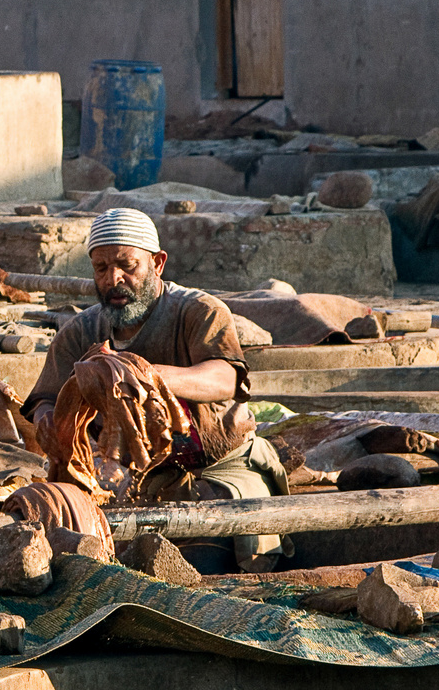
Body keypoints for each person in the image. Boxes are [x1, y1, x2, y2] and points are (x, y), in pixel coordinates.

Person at [22, 207, 289, 571]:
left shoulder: (199, 311)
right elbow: (45, 400)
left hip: (221, 467)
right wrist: (53, 426)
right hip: (132, 476)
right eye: (101, 268)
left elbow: (226, 378)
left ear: (158, 263)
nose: (113, 278)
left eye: (126, 265)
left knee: (218, 560)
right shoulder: (81, 332)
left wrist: (147, 375)